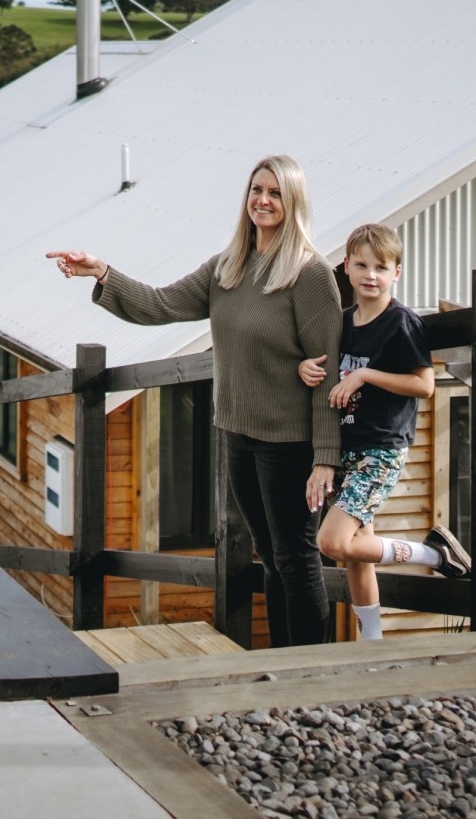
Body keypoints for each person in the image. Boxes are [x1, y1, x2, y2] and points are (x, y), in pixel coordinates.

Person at [47, 154, 343, 646]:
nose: (263, 201)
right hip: (237, 435)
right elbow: (159, 304)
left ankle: (312, 666)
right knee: (269, 555)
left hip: (290, 443)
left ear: (293, 203)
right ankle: (285, 658)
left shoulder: (309, 276)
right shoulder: (227, 268)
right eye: (256, 191)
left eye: (275, 193)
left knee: (296, 556)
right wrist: (102, 273)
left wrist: (326, 459)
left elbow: (328, 370)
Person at [298, 222, 468, 642]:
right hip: (345, 449)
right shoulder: (341, 324)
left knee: (333, 543)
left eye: (381, 266)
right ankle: (371, 643)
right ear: (347, 269)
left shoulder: (401, 322)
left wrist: (367, 375)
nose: (371, 274)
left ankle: (432, 553)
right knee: (358, 553)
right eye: (362, 265)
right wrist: (303, 368)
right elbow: (318, 368)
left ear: (397, 272)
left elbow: (424, 385)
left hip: (380, 449)